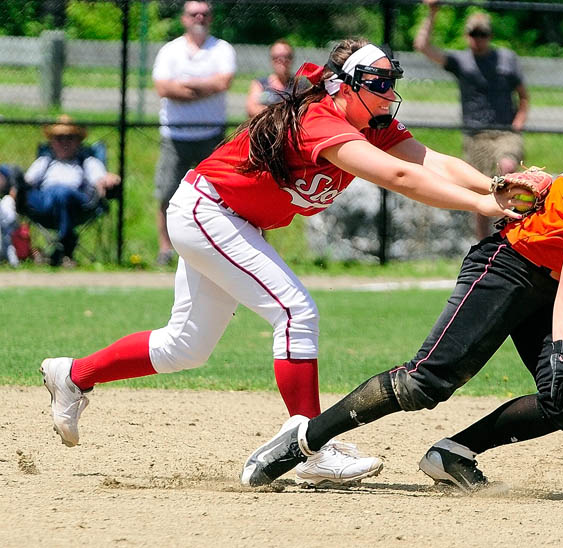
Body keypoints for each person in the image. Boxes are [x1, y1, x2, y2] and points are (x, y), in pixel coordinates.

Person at [39, 38, 525, 488]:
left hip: (232, 220)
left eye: (390, 83)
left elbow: (428, 161)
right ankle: (312, 449)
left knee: (184, 347)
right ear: (345, 85)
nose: (387, 92)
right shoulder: (321, 119)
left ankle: (74, 375)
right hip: (209, 211)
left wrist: (494, 187)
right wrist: (482, 208)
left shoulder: (368, 123)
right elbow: (399, 176)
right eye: (376, 83)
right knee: (295, 312)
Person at [241, 87, 563, 492]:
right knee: (426, 383)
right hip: (510, 265)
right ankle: (306, 439)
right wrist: (562, 346)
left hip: (554, 285)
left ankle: (452, 454)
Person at [414, 1, 529, 240]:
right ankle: (483, 243)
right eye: (474, 34)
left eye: (483, 34)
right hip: (475, 135)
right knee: (482, 189)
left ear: (490, 35)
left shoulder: (506, 59)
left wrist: (518, 124)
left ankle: (512, 236)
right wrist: (432, 12)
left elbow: (523, 95)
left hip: (504, 132)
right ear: (467, 36)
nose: (479, 39)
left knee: (507, 169)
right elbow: (422, 46)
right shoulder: (461, 62)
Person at [152, 0, 236, 265]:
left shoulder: (221, 49)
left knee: (220, 195)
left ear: (211, 18)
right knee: (166, 193)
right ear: (184, 18)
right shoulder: (170, 50)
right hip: (175, 136)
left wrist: (186, 86)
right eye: (193, 13)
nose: (199, 17)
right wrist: (204, 88)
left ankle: (216, 247)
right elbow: (163, 88)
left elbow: (223, 82)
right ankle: (165, 250)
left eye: (205, 13)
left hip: (211, 135)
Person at [22, 115, 120, 267]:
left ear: (78, 141)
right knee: (22, 190)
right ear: (52, 142)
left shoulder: (87, 162)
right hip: (44, 205)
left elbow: (101, 179)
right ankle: (33, 249)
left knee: (62, 193)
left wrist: (110, 179)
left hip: (77, 204)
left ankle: (63, 248)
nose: (64, 143)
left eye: (69, 138)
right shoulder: (44, 162)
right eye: (59, 138)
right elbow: (26, 182)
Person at [246, 39, 294, 117]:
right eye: (277, 57)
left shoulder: (300, 85)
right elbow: (252, 109)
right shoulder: (260, 84)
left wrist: (267, 110)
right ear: (271, 59)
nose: (281, 60)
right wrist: (283, 113)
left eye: (286, 56)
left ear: (292, 59)